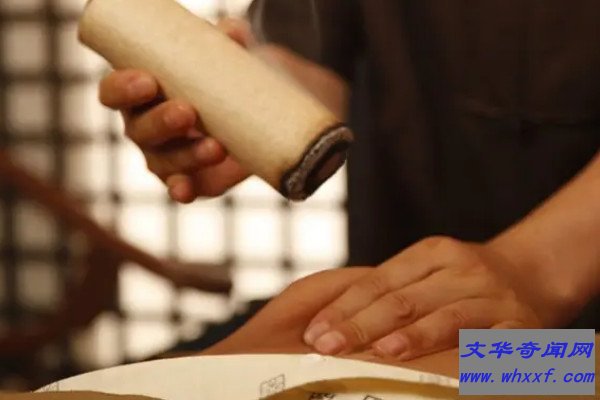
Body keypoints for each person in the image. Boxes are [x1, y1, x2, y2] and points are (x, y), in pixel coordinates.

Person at [97, 0, 600, 361]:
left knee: (531, 377)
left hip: (576, 347)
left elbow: (542, 367)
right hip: (388, 316)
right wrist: (241, 108)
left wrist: (535, 268)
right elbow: (303, 50)